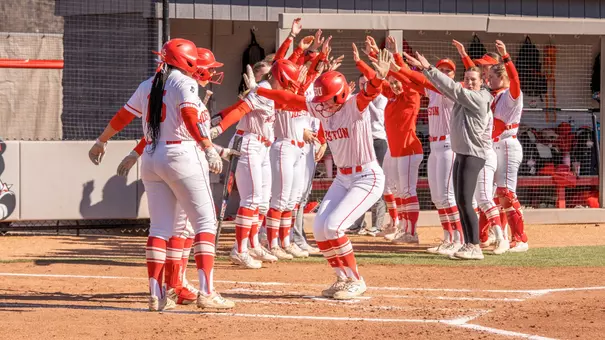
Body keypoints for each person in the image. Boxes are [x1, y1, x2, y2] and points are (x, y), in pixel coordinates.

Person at [88, 38, 235, 310]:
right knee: (205, 223)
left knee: (159, 228)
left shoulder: (149, 84)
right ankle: (207, 292)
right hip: (182, 154)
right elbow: (190, 118)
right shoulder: (184, 83)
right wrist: (208, 147)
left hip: (152, 157)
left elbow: (123, 116)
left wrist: (102, 140)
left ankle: (157, 295)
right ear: (188, 61)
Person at [246, 44, 390, 300]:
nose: (324, 106)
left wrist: (378, 76)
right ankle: (342, 277)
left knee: (334, 226)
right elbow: (290, 99)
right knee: (321, 228)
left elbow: (371, 91)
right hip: (344, 177)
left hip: (367, 175)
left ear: (342, 94)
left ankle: (356, 279)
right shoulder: (323, 106)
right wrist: (259, 91)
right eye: (322, 100)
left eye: (329, 100)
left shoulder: (354, 105)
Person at [405, 51, 493, 260]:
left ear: (482, 82)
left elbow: (452, 88)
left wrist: (428, 68)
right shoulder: (465, 95)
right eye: (468, 79)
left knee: (464, 199)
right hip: (461, 152)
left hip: (473, 154)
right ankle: (466, 244)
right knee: (461, 201)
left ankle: (475, 245)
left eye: (474, 80)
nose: (470, 83)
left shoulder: (478, 98)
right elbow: (448, 89)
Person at [391, 52, 464, 255]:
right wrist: (394, 63)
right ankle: (448, 237)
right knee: (438, 197)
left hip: (449, 146)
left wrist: (421, 68)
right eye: (441, 69)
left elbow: (421, 79)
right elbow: (408, 80)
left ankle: (458, 238)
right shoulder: (432, 92)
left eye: (448, 70)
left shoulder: (453, 90)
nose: (444, 72)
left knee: (448, 196)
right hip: (434, 147)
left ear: (453, 74)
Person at [363, 36, 423, 244]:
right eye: (393, 83)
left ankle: (411, 232)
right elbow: (379, 79)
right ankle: (403, 228)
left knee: (407, 191)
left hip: (409, 149)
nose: (395, 85)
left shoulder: (411, 94)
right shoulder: (394, 96)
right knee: (399, 191)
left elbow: (405, 78)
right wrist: (369, 58)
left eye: (398, 82)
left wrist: (396, 56)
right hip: (397, 151)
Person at [487, 40, 528, 252]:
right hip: (495, 145)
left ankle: (521, 239)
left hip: (508, 144)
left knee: (507, 193)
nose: (488, 80)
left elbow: (515, 79)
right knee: (498, 195)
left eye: (492, 77)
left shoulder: (511, 94)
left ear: (501, 76)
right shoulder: (493, 96)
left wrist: (506, 57)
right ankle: (502, 235)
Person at [348, 74, 388, 236]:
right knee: (360, 181)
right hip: (361, 142)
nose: (363, 86)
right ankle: (358, 223)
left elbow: (378, 117)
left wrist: (367, 98)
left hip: (378, 141)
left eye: (366, 83)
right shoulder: (357, 98)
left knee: (377, 182)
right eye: (361, 84)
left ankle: (377, 224)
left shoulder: (381, 99)